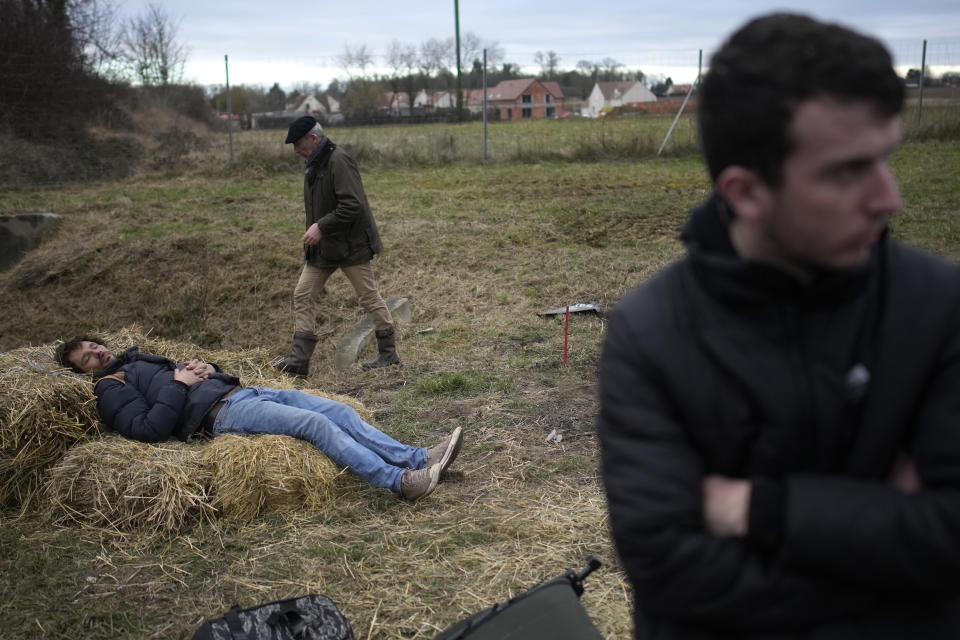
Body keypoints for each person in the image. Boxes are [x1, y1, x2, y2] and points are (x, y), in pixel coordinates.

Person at [597, 13, 960, 639]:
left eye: (886, 158)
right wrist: (889, 545)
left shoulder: (938, 306)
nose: (889, 197)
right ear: (744, 192)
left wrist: (755, 509)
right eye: (848, 170)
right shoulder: (649, 336)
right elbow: (672, 572)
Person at [56, 335, 463, 501]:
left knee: (337, 409)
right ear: (82, 372)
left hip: (242, 391)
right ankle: (400, 483)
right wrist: (179, 384)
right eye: (87, 356)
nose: (98, 352)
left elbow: (186, 380)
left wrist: (208, 369)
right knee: (316, 426)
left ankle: (416, 457)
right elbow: (148, 429)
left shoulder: (136, 357)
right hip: (223, 414)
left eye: (95, 344)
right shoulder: (110, 389)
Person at [275, 115, 399, 377]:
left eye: (298, 144)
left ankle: (388, 353)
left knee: (368, 296)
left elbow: (353, 205)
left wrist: (320, 227)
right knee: (303, 294)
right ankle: (299, 361)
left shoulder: (338, 160)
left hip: (351, 245)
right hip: (325, 249)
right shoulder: (315, 162)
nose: (295, 151)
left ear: (314, 139)